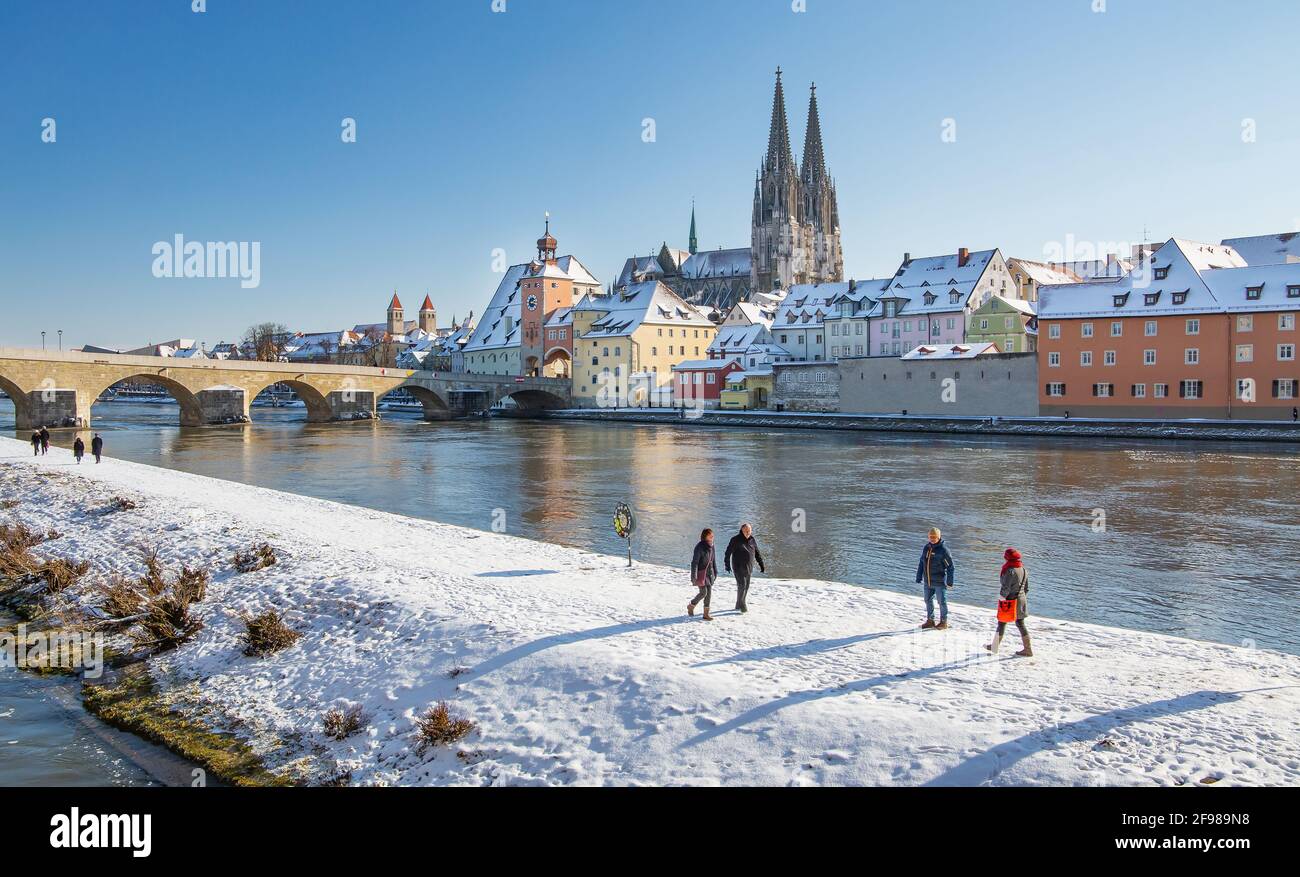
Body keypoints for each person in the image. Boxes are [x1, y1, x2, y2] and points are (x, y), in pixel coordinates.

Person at [986, 548, 1032, 658]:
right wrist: (1021, 597)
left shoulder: (1010, 570)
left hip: (1010, 601)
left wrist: (1002, 598)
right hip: (1021, 600)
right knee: (1020, 624)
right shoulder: (1024, 569)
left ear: (1008, 557)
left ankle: (995, 646)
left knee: (1002, 622)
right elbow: (1026, 589)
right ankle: (1028, 649)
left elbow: (1005, 588)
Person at [916, 527, 955, 630]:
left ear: (939, 537)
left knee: (941, 602)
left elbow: (950, 567)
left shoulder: (944, 551)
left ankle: (943, 622)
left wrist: (950, 582)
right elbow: (921, 563)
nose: (932, 539)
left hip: (939, 582)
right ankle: (930, 620)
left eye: (934, 537)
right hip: (927, 581)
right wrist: (919, 576)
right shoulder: (926, 548)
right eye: (931, 537)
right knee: (927, 600)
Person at [724, 523, 766, 614]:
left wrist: (761, 564)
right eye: (746, 531)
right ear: (742, 530)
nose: (748, 532)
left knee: (746, 587)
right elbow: (728, 553)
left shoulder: (752, 539)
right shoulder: (735, 540)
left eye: (749, 531)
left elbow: (757, 553)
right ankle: (743, 604)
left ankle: (738, 604)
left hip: (749, 568)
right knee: (742, 585)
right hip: (738, 567)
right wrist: (727, 565)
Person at [688, 528, 717, 622]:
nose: (712, 537)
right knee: (703, 592)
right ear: (705, 536)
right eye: (710, 535)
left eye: (712, 535)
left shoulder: (712, 546)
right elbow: (694, 562)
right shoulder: (699, 547)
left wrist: (716, 571)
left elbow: (713, 561)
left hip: (710, 573)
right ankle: (691, 605)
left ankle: (706, 614)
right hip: (701, 573)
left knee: (709, 594)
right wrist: (694, 576)